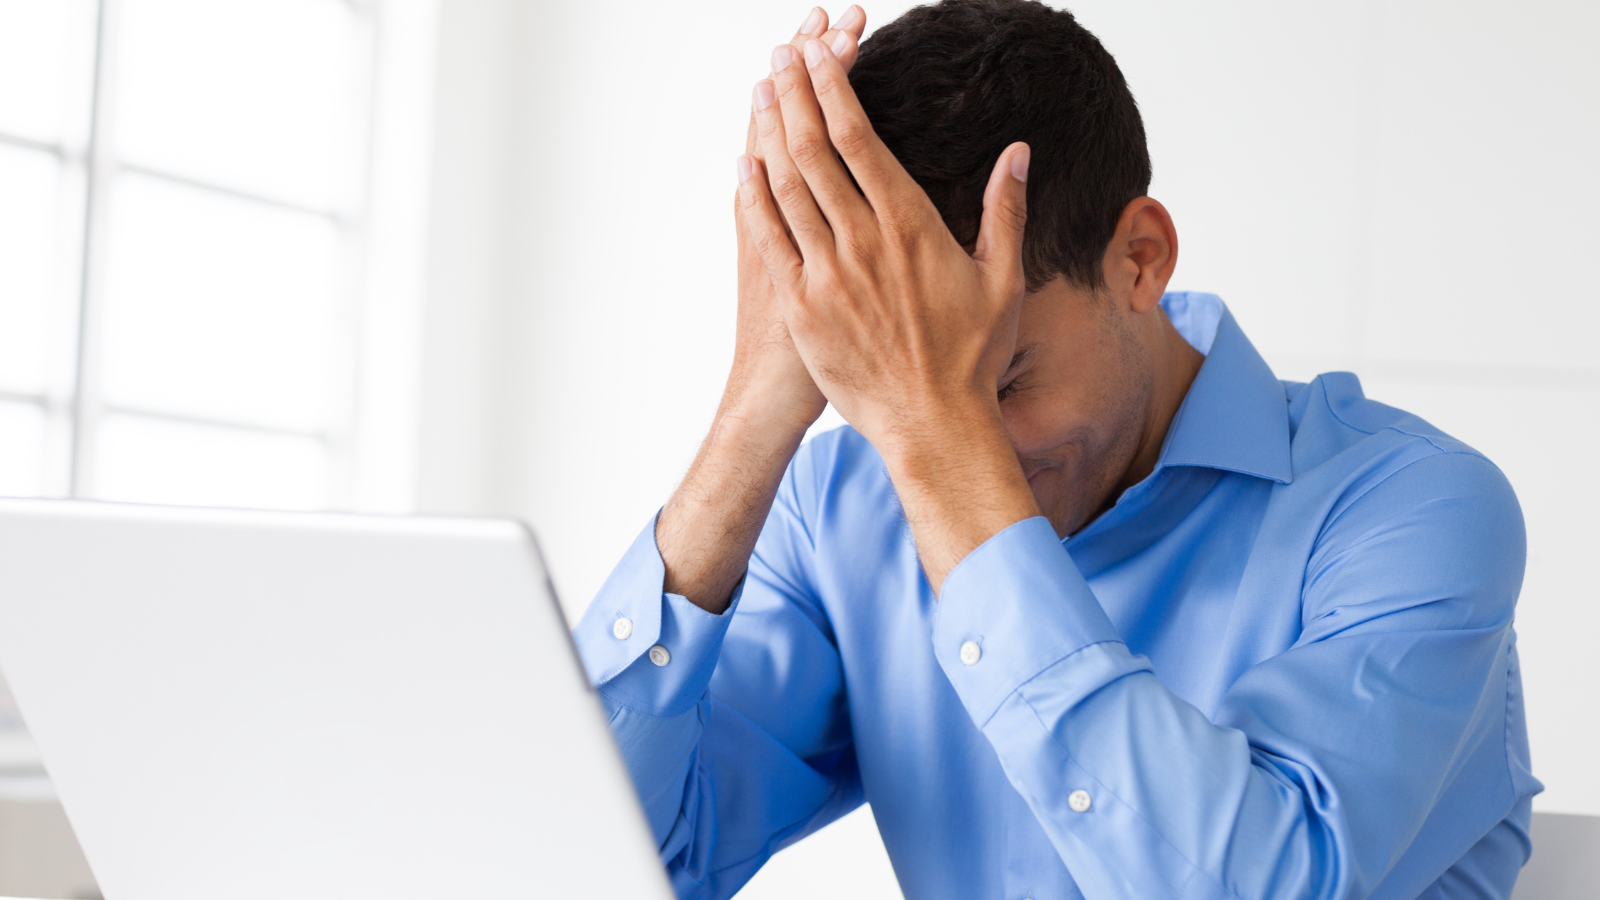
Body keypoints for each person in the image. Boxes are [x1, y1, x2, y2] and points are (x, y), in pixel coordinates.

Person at [572, 2, 1541, 898]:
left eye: (1000, 380)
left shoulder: (1410, 509)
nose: (944, 431)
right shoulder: (841, 513)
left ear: (1139, 259)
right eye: (886, 379)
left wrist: (946, 459)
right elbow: (601, 868)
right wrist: (757, 410)